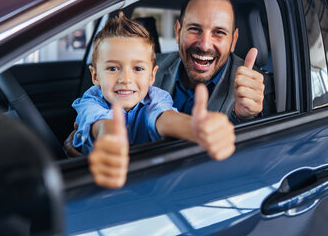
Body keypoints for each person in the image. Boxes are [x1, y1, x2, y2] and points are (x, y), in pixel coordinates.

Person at [73, 12, 235, 188]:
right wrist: (109, 136)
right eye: (112, 68)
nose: (125, 79)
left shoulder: (155, 97)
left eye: (138, 68)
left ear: (152, 76)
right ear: (95, 76)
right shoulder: (91, 100)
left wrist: (194, 128)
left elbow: (164, 117)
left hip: (148, 186)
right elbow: (98, 121)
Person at [154, 0, 266, 121]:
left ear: (233, 40)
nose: (205, 45)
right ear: (178, 32)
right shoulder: (145, 69)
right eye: (195, 29)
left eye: (219, 32)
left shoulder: (256, 89)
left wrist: (244, 117)